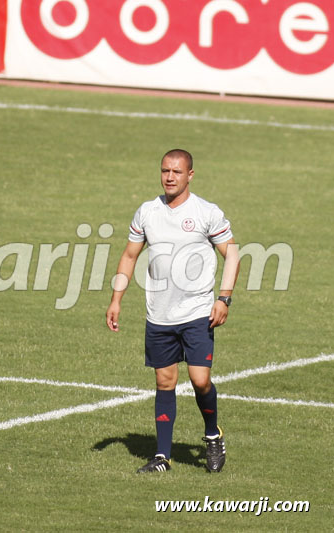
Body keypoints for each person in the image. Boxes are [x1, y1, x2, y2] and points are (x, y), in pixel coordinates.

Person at [106, 149, 239, 473]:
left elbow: (232, 254)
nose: (169, 177)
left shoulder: (206, 212)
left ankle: (212, 435)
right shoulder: (148, 212)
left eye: (176, 172)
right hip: (159, 314)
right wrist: (116, 299)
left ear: (190, 175)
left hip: (197, 312)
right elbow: (129, 256)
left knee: (200, 380)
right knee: (165, 383)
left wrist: (223, 299)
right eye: (165, 170)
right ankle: (162, 456)